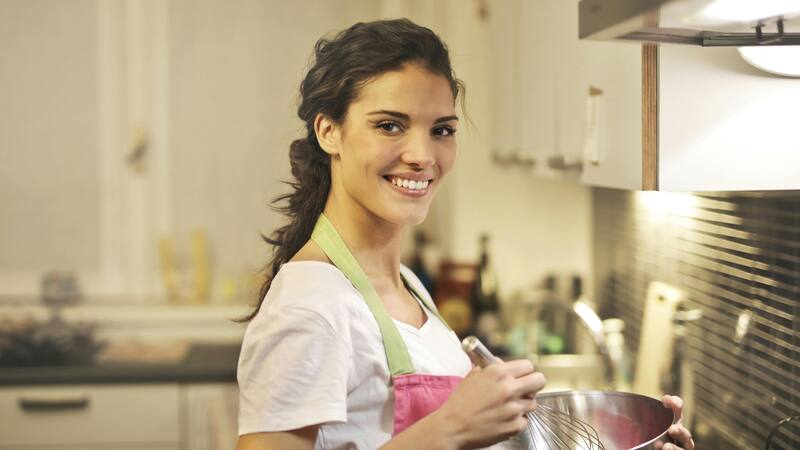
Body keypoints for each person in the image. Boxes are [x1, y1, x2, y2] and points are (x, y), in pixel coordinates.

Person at [235, 19, 695, 450]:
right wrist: (450, 427)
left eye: (441, 130)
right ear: (329, 131)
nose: (422, 154)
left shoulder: (406, 285)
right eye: (389, 125)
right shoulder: (312, 304)